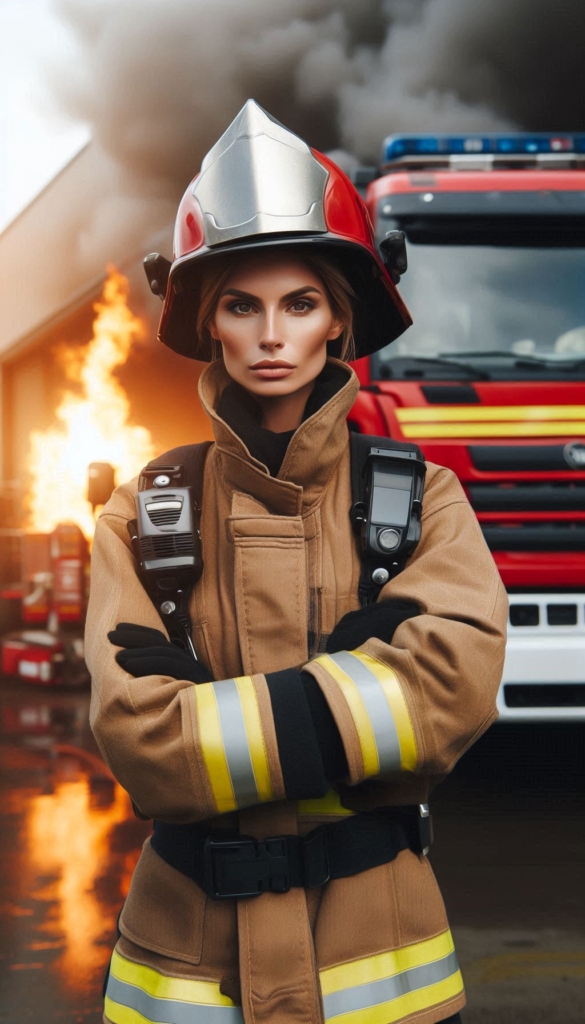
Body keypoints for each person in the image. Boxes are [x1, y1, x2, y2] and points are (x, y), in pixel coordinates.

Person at [85, 100, 508, 1024]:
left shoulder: (423, 496)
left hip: (380, 962)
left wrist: (210, 713)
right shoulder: (141, 511)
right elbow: (141, 745)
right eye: (241, 305)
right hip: (183, 968)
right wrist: (362, 684)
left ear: (336, 323)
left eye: (299, 303)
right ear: (209, 323)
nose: (270, 335)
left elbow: (454, 691)